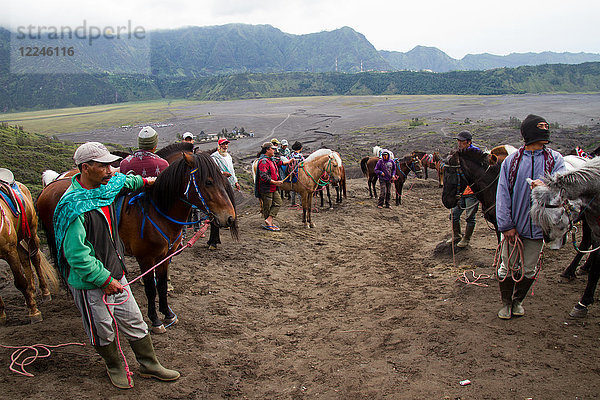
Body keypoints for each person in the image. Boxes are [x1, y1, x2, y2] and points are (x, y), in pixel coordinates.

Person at [53, 142, 180, 389]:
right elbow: (77, 255)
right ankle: (114, 366)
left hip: (116, 272)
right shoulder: (73, 206)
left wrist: (149, 182)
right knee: (102, 329)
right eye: (103, 166)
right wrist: (104, 279)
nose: (111, 170)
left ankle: (149, 364)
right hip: (91, 282)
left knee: (134, 320)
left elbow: (126, 182)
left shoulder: (107, 186)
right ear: (85, 168)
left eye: (111, 164)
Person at [495, 114, 566, 319]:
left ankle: (518, 301)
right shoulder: (513, 161)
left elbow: (562, 187)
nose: (545, 137)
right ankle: (506, 303)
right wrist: (506, 225)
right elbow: (503, 194)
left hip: (538, 227)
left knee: (529, 269)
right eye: (541, 131)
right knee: (506, 267)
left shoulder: (555, 159)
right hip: (513, 226)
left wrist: (546, 186)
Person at [447, 131, 480, 247]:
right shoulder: (458, 153)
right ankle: (456, 235)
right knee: (454, 215)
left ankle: (466, 238)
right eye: (458, 141)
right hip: (460, 191)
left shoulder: (476, 153)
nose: (459, 143)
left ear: (469, 142)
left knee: (470, 216)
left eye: (462, 141)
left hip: (472, 191)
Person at [256, 142, 288, 231]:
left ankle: (269, 220)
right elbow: (263, 176)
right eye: (272, 149)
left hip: (273, 187)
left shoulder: (271, 160)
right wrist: (275, 182)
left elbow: (279, 163)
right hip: (266, 188)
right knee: (267, 206)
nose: (274, 150)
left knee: (278, 202)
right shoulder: (263, 161)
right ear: (267, 150)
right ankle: (268, 222)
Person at [289, 141, 304, 206]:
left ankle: (293, 203)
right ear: (300, 148)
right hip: (299, 172)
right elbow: (304, 162)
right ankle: (301, 203)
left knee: (293, 188)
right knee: (299, 189)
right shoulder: (300, 155)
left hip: (292, 172)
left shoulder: (291, 154)